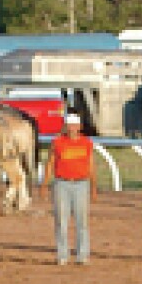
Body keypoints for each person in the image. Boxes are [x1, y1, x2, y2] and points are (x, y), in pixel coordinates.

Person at [43, 112, 96, 264]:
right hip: (62, 183)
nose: (72, 128)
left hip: (81, 183)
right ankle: (62, 255)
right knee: (61, 220)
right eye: (69, 125)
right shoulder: (57, 142)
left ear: (79, 127)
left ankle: (82, 255)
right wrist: (45, 184)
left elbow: (91, 165)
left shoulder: (86, 143)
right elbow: (50, 163)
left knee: (82, 221)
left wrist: (93, 187)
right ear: (65, 127)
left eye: (75, 125)